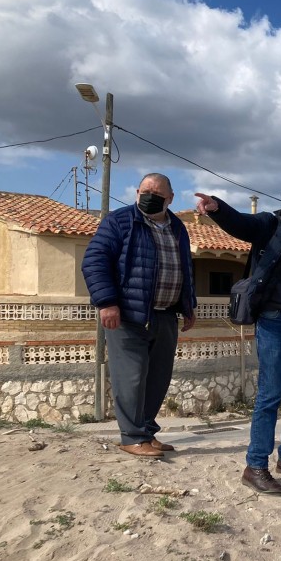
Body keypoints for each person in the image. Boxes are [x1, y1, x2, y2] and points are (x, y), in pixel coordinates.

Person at [195, 179, 281, 495]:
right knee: (270, 395)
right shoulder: (272, 224)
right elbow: (243, 224)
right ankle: (255, 466)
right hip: (274, 321)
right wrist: (217, 207)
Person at [81, 173, 197, 457]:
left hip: (166, 316)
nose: (149, 196)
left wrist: (188, 305)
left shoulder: (178, 227)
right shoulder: (120, 221)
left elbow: (184, 268)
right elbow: (94, 260)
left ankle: (146, 432)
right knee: (131, 378)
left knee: (158, 378)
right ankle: (131, 437)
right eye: (145, 191)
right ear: (136, 193)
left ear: (170, 198)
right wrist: (107, 302)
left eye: (157, 193)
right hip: (128, 317)